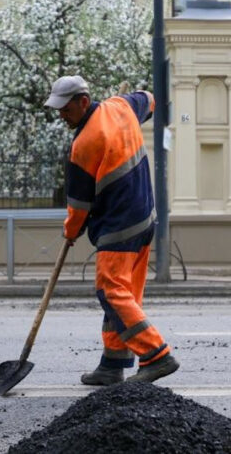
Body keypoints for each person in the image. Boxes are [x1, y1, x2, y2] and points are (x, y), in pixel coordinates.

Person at [45, 75, 179, 385]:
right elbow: (149, 98)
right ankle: (112, 363)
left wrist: (71, 232)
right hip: (145, 218)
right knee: (125, 294)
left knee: (111, 290)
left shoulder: (83, 145)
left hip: (118, 225)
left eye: (65, 109)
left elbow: (78, 206)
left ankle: (157, 355)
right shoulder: (122, 106)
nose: (62, 115)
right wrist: (131, 104)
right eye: (58, 110)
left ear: (82, 101)